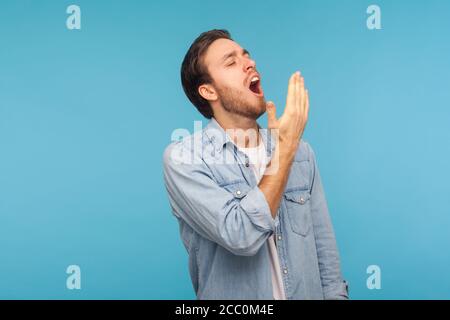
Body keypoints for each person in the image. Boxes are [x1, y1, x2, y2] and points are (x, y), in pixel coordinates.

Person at [163, 29, 348, 300]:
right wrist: (285, 150)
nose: (249, 63)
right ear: (208, 90)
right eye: (231, 61)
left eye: (246, 55)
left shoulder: (302, 153)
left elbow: (325, 253)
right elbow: (242, 235)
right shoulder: (184, 159)